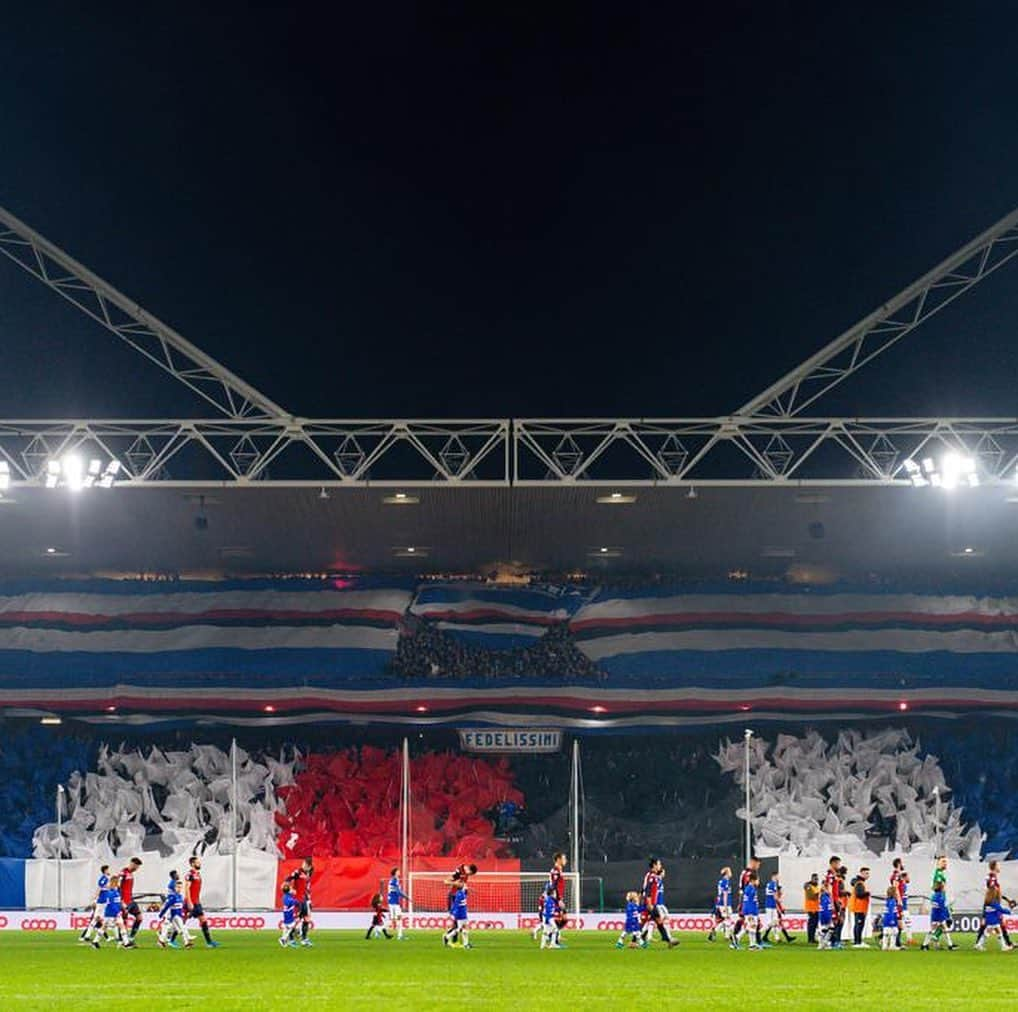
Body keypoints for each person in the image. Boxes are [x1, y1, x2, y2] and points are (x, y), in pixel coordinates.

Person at [181, 855, 219, 948]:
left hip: (196, 902)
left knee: (202, 920)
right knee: (182, 921)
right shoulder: (190, 874)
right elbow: (187, 888)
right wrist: (189, 901)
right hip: (190, 901)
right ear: (193, 864)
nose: (199, 863)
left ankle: (209, 942)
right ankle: (167, 937)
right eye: (198, 862)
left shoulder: (197, 874)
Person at [974, 860, 1014, 949]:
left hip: (992, 903)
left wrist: (1005, 899)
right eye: (998, 865)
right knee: (989, 924)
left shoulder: (993, 877)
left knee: (997, 925)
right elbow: (991, 890)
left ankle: (1007, 943)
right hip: (991, 904)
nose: (999, 867)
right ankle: (978, 943)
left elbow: (995, 892)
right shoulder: (991, 878)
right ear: (994, 866)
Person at [641, 858, 679, 948]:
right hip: (649, 903)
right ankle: (634, 940)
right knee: (644, 922)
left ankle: (667, 939)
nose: (660, 866)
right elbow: (648, 890)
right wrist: (649, 903)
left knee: (658, 921)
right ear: (654, 865)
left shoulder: (653, 876)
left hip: (651, 903)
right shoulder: (652, 876)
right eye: (659, 864)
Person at [157, 872, 193, 949]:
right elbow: (166, 906)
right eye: (178, 887)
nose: (179, 889)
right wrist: (161, 914)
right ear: (175, 888)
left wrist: (184, 913)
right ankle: (161, 940)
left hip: (177, 915)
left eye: (180, 887)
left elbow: (180, 907)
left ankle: (187, 943)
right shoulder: (173, 896)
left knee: (179, 928)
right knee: (169, 927)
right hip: (171, 915)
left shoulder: (180, 896)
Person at [91, 874, 127, 948]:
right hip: (111, 913)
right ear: (114, 882)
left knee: (105, 927)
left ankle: (95, 942)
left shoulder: (115, 891)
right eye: (117, 881)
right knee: (119, 926)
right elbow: (111, 904)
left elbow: (117, 902)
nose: (119, 883)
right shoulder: (111, 892)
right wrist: (117, 912)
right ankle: (126, 943)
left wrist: (122, 905)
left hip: (114, 913)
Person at [78, 864, 110, 944]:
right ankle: (104, 936)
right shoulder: (104, 878)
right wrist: (95, 899)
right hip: (102, 902)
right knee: (102, 919)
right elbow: (99, 888)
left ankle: (87, 936)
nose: (109, 871)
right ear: (105, 870)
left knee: (96, 919)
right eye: (108, 870)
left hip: (103, 902)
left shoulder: (106, 878)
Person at [975, 886, 1013, 952]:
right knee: (989, 933)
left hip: (989, 919)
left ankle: (979, 944)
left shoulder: (987, 901)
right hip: (994, 920)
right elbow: (1001, 909)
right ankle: (979, 944)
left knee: (995, 932)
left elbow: (988, 911)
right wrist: (1010, 910)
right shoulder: (994, 902)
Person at [287, 857, 314, 947]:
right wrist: (289, 888)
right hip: (298, 899)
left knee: (307, 919)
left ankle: (304, 939)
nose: (303, 865)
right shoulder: (297, 872)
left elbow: (306, 885)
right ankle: (291, 939)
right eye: (303, 864)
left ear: (309, 866)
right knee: (296, 920)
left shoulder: (309, 872)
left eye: (305, 865)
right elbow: (288, 879)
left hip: (306, 899)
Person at [922, 881, 957, 950]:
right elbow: (942, 907)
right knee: (936, 930)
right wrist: (946, 916)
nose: (945, 888)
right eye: (944, 887)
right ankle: (924, 945)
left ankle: (950, 945)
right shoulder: (941, 896)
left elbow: (934, 906)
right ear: (941, 888)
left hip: (934, 915)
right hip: (939, 916)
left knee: (942, 930)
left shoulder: (934, 895)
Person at [732, 870, 761, 951]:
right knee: (751, 927)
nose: (758, 882)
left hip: (751, 910)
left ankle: (752, 944)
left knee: (752, 927)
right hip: (751, 911)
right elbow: (749, 901)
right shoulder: (750, 889)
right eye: (757, 880)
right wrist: (751, 912)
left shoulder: (750, 888)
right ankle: (737, 938)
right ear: (753, 880)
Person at [762, 872, 794, 944]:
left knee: (776, 921)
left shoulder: (769, 884)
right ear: (774, 876)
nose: (778, 878)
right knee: (771, 923)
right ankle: (760, 934)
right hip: (771, 906)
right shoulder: (773, 884)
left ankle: (776, 937)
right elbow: (775, 895)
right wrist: (778, 900)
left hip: (770, 905)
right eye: (777, 876)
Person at [119, 857, 144, 945]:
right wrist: (121, 902)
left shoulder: (131, 874)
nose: (137, 868)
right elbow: (118, 887)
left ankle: (131, 938)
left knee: (139, 918)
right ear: (133, 864)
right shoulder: (123, 873)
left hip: (130, 900)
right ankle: (122, 941)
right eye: (137, 866)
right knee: (123, 921)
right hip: (124, 901)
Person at [823, 856, 844, 949]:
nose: (839, 865)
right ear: (833, 863)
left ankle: (835, 941)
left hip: (836, 899)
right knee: (835, 922)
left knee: (838, 921)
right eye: (838, 863)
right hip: (832, 901)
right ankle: (833, 942)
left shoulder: (834, 874)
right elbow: (828, 888)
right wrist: (832, 901)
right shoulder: (830, 875)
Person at [707, 866, 732, 942]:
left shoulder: (721, 881)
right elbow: (725, 894)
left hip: (720, 903)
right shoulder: (726, 882)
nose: (731, 873)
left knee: (726, 920)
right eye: (730, 871)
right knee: (727, 919)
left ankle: (727, 936)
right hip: (725, 904)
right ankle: (716, 931)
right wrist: (725, 905)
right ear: (727, 873)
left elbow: (719, 894)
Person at [442, 885, 471, 949]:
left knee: (463, 929)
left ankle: (466, 944)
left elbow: (458, 902)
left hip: (463, 914)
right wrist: (453, 913)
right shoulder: (459, 894)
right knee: (460, 929)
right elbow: (457, 905)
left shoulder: (461, 893)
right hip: (460, 914)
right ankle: (447, 937)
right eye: (464, 886)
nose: (465, 886)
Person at [386, 867, 409, 941]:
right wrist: (406, 897)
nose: (399, 872)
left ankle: (378, 930)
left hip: (392, 902)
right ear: (395, 872)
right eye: (398, 871)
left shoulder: (393, 880)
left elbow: (397, 891)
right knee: (398, 919)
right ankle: (400, 936)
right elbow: (398, 891)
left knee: (394, 919)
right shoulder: (394, 880)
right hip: (394, 903)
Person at [850, 867, 870, 948]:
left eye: (868, 873)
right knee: (859, 924)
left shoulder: (859, 882)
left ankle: (857, 941)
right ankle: (858, 942)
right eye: (866, 873)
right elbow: (859, 895)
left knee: (858, 924)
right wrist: (867, 893)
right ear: (861, 873)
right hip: (859, 907)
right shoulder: (859, 883)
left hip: (859, 907)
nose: (868, 875)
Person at [539, 885, 564, 949]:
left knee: (546, 931)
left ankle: (543, 945)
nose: (555, 894)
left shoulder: (550, 900)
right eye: (554, 893)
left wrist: (559, 909)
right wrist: (547, 920)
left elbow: (553, 908)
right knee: (555, 929)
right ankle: (552, 944)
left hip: (548, 917)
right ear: (552, 893)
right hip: (548, 918)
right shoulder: (549, 900)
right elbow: (548, 911)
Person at [279, 882, 300, 948]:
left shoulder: (285, 896)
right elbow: (295, 903)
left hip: (286, 913)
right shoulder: (289, 898)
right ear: (288, 890)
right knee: (292, 926)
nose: (292, 890)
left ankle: (284, 940)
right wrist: (296, 902)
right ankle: (283, 939)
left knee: (286, 927)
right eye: (291, 889)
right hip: (288, 914)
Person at [803, 873, 820, 945]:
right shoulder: (809, 886)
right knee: (811, 924)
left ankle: (812, 938)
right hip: (811, 908)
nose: (816, 880)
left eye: (817, 879)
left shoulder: (816, 886)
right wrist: (819, 893)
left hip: (816, 908)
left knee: (814, 924)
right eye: (815, 879)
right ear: (812, 878)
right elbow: (811, 896)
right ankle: (810, 939)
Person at [817, 882, 834, 950]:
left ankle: (825, 942)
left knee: (831, 929)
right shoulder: (823, 896)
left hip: (828, 914)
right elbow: (824, 908)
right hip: (823, 915)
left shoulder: (828, 896)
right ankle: (821, 943)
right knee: (824, 929)